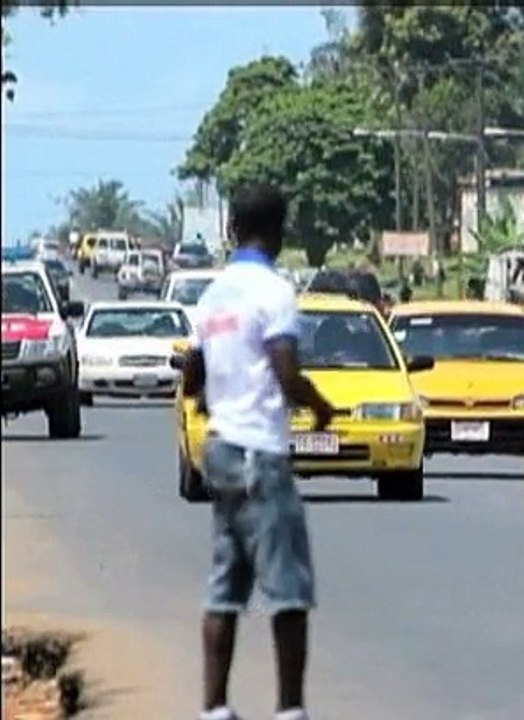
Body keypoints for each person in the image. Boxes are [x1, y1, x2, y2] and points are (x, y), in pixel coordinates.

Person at [179, 184, 334, 720]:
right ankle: (290, 710)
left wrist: (212, 390)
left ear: (232, 229)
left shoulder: (212, 295)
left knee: (226, 582)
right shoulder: (274, 291)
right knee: (288, 587)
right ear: (279, 230)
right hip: (259, 450)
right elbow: (285, 369)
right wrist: (319, 407)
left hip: (220, 449)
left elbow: (193, 374)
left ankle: (214, 708)